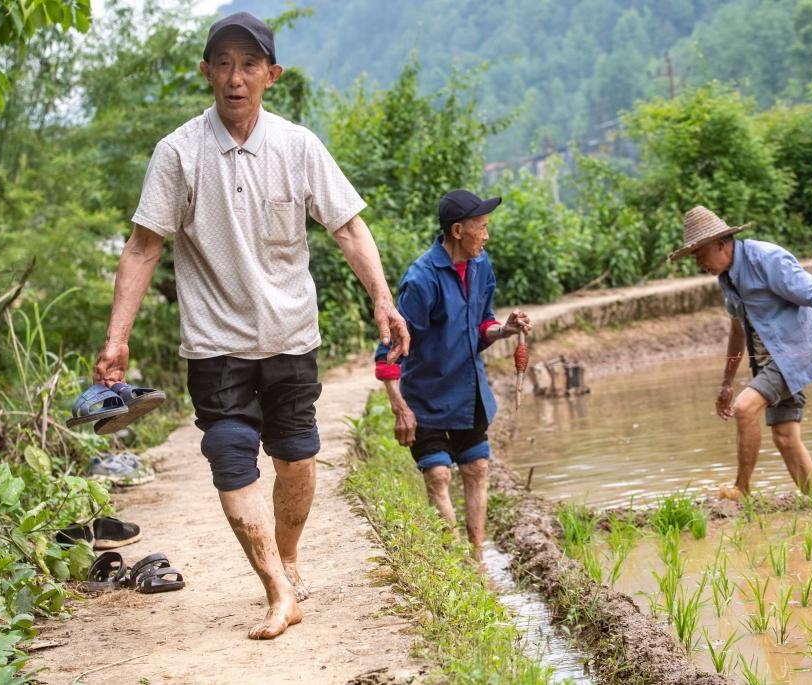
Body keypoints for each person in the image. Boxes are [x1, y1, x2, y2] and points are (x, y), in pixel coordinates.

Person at [91, 12, 409, 640]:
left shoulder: (298, 146)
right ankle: (276, 588)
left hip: (291, 335)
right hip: (215, 344)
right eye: (224, 64)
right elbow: (143, 247)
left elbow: (347, 226)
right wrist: (116, 338)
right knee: (227, 450)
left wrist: (383, 299)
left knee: (297, 456)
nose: (236, 78)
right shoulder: (178, 152)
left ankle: (287, 558)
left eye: (249, 65)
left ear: (271, 74)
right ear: (207, 72)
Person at [375, 189, 531, 560]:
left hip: (467, 390)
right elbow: (390, 350)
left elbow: (481, 326)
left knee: (477, 467)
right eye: (482, 227)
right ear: (458, 230)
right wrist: (400, 407)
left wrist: (504, 330)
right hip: (426, 396)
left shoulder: (482, 266)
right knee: (439, 475)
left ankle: (477, 558)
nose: (487, 235)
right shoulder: (421, 280)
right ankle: (456, 560)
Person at [669, 206, 812, 499]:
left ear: (721, 245)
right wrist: (726, 383)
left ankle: (741, 489)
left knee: (745, 409)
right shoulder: (727, 279)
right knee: (785, 436)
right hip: (769, 360)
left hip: (796, 353)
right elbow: (737, 331)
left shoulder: (766, 259)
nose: (698, 263)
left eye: (699, 255)